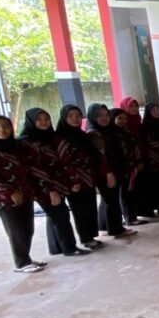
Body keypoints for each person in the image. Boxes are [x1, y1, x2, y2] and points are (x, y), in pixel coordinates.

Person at [0, 116, 45, 273]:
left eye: (5, 126)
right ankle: (21, 263)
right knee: (16, 230)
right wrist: (11, 192)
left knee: (27, 229)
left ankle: (26, 258)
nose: (2, 130)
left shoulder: (17, 146)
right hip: (5, 198)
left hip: (25, 194)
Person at [18, 107, 88, 258]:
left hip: (59, 183)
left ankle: (56, 247)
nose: (44, 122)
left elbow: (65, 161)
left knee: (54, 215)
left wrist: (72, 180)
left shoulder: (53, 137)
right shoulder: (26, 142)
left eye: (46, 119)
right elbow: (34, 169)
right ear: (31, 121)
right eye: (39, 119)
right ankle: (70, 248)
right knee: (61, 215)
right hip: (43, 187)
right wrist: (50, 189)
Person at [86, 103, 137, 238]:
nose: (104, 118)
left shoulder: (109, 130)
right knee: (112, 200)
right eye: (99, 116)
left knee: (108, 199)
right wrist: (108, 173)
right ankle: (116, 229)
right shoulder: (94, 133)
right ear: (93, 117)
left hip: (114, 169)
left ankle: (105, 225)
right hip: (105, 173)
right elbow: (99, 156)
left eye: (106, 115)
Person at [55, 105, 103, 249]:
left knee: (89, 207)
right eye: (71, 116)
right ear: (64, 118)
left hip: (88, 178)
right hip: (73, 180)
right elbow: (64, 161)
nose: (75, 119)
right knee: (79, 210)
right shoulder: (61, 138)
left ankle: (91, 236)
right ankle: (85, 238)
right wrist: (74, 180)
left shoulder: (82, 135)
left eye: (78, 115)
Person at [111, 107, 145, 227]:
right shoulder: (112, 135)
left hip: (131, 167)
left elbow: (134, 148)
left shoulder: (127, 132)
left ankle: (132, 216)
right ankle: (128, 218)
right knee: (124, 194)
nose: (123, 121)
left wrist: (138, 162)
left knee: (131, 193)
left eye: (125, 118)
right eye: (119, 118)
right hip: (120, 169)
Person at [118, 97, 150, 220]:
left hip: (141, 159)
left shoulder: (138, 122)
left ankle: (141, 211)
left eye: (135, 106)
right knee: (128, 190)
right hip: (129, 164)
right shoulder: (124, 126)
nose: (134, 109)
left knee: (141, 187)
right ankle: (129, 217)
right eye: (131, 106)